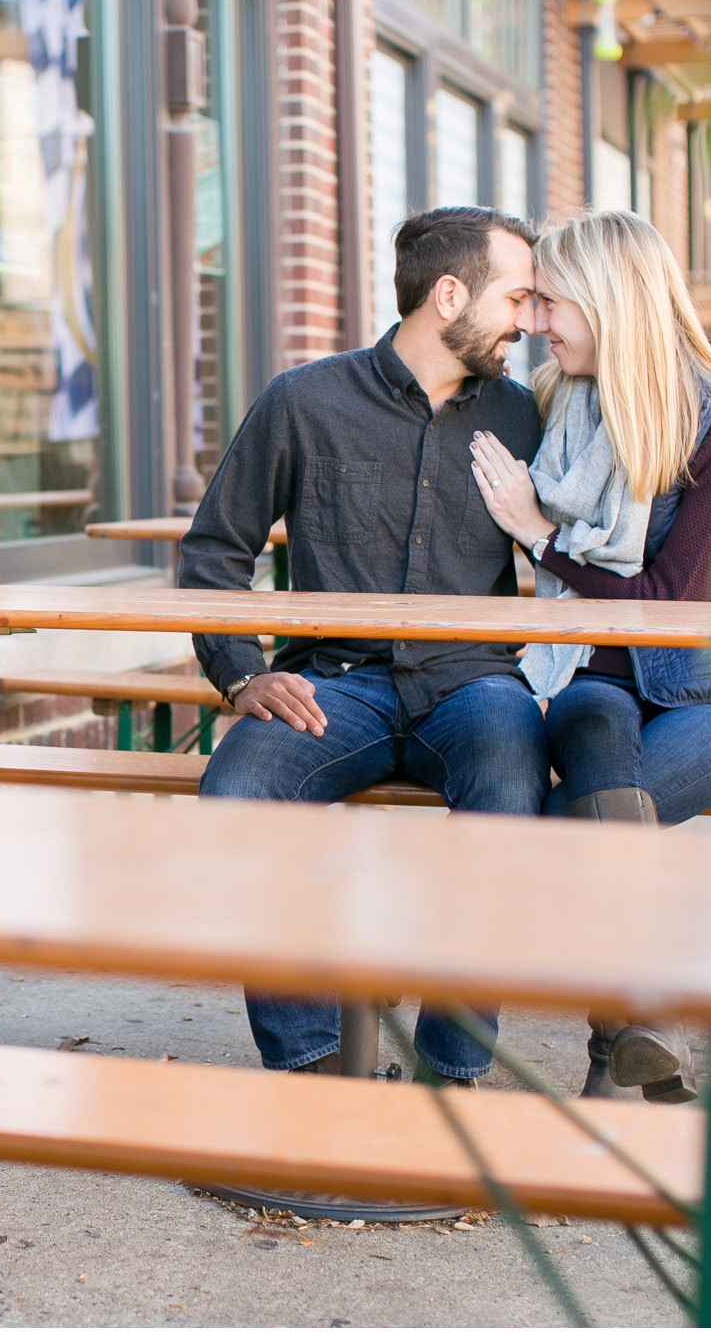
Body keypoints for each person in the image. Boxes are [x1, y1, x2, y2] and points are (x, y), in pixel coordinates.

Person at [183, 206, 546, 1088]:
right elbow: (213, 551)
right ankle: (309, 1062)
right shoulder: (304, 400)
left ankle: (450, 1071)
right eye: (517, 297)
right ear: (449, 295)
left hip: (473, 686)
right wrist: (242, 676)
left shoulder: (524, 415)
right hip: (331, 686)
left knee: (508, 778)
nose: (528, 322)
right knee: (237, 790)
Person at [467, 209, 711, 1102]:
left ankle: (618, 1030)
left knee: (572, 830)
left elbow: (668, 608)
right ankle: (633, 1029)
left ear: (610, 301)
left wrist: (541, 538)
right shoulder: (565, 401)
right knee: (593, 760)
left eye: (551, 302)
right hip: (598, 680)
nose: (537, 322)